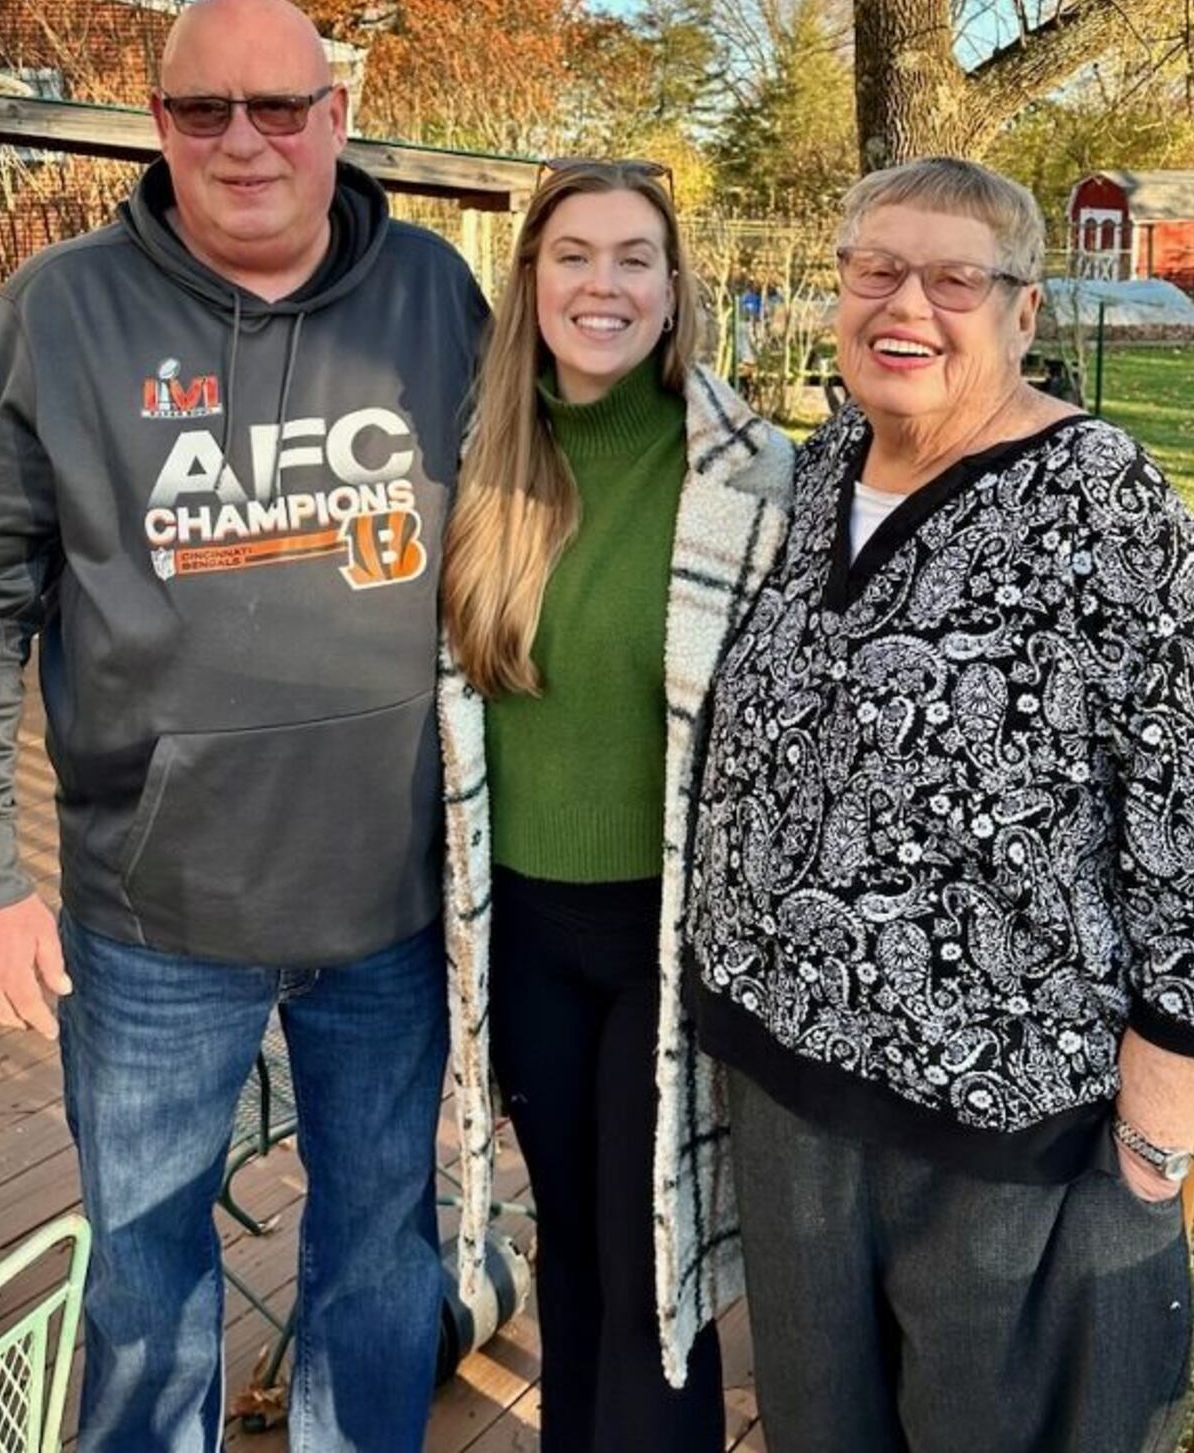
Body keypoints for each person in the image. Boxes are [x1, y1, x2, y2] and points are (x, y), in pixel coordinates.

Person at [0, 0, 488, 1453]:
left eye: (278, 105)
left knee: (378, 1252)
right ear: (158, 125)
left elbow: (547, 520)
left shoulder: (434, 296)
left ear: (336, 119)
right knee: (148, 1272)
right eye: (203, 109)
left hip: (389, 904)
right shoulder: (63, 310)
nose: (244, 140)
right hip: (151, 914)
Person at [687, 156, 1194, 1453]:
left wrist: (1151, 1157)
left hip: (1003, 1139)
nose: (908, 300)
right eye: (877, 267)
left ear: (1024, 313)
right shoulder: (818, 470)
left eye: (955, 275)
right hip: (795, 1104)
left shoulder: (1109, 506)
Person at [436, 161, 794, 1452]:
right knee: (578, 1250)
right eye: (574, 254)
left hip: (670, 933)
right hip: (522, 931)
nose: (604, 282)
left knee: (656, 1267)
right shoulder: (480, 466)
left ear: (674, 285)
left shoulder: (751, 478)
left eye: (634, 256)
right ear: (531, 280)